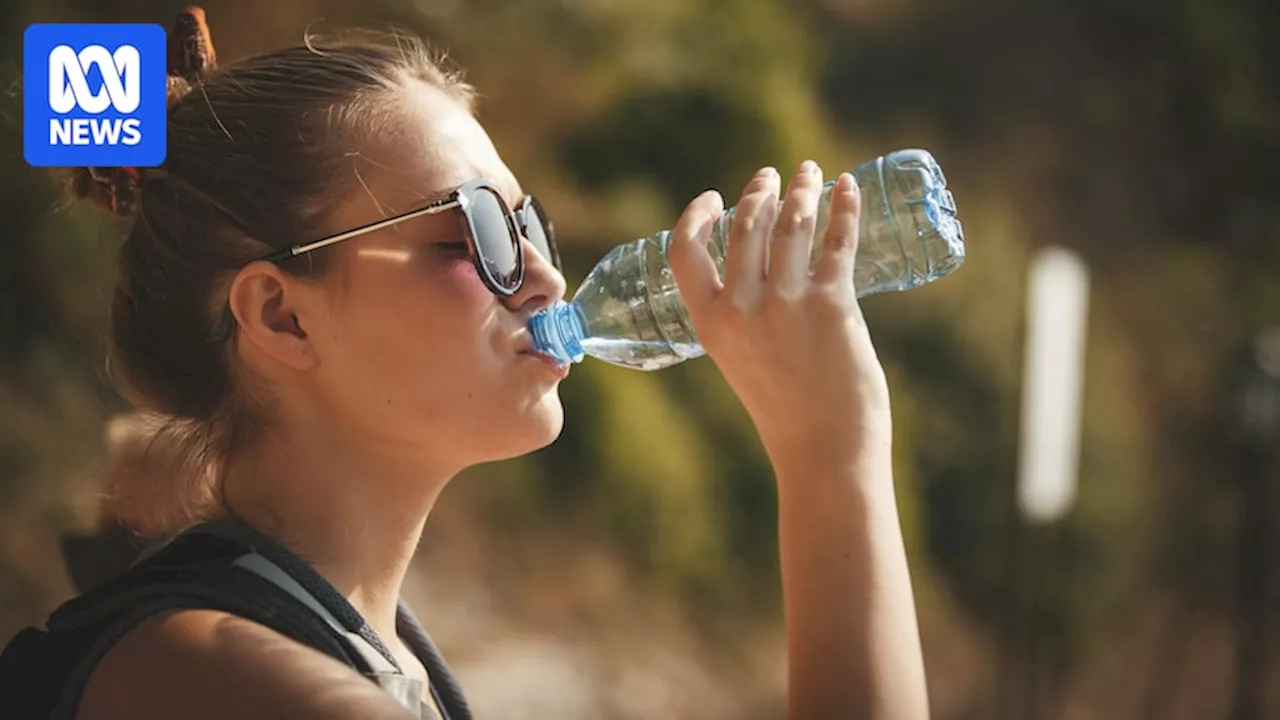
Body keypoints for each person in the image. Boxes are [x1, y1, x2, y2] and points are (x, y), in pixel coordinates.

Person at [4, 7, 929, 719]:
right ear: (282, 316)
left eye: (530, 223)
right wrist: (831, 459)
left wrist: (836, 454)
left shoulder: (364, 651)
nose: (545, 273)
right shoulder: (214, 672)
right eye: (480, 228)